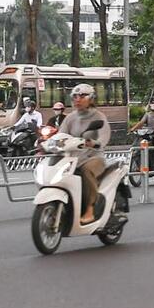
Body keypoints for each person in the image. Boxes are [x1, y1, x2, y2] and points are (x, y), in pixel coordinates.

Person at [57, 84, 110, 225]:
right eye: (74, 96)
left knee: (86, 171)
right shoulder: (70, 118)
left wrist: (94, 143)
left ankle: (90, 209)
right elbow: (60, 135)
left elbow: (104, 138)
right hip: (72, 159)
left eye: (82, 96)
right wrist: (47, 143)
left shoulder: (99, 117)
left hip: (93, 158)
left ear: (91, 99)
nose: (77, 99)